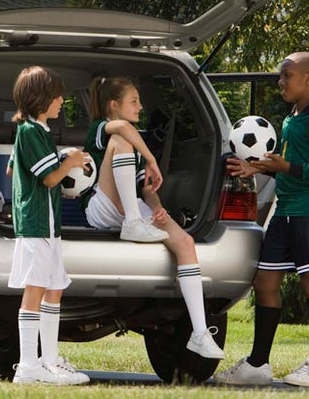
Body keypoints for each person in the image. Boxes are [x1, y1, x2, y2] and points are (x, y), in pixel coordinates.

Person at [215, 52, 309, 388]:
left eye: (286, 75)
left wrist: (286, 168)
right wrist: (255, 167)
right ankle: (258, 364)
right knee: (264, 283)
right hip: (285, 212)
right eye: (280, 76)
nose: (280, 82)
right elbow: (285, 162)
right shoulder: (293, 119)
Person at [83, 76, 226, 360]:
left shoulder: (133, 149)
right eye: (134, 101)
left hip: (132, 207)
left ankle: (199, 332)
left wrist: (158, 207)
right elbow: (122, 128)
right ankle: (134, 223)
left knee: (184, 242)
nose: (140, 107)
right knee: (121, 138)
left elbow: (145, 191)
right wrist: (150, 158)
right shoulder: (99, 129)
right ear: (114, 105)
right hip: (101, 208)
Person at [7, 65, 91, 385]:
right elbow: (50, 178)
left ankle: (51, 361)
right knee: (36, 289)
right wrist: (68, 162)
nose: (61, 100)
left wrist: (60, 160)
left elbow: (12, 171)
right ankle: (28, 366)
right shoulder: (29, 132)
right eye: (57, 95)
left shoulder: (37, 132)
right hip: (36, 226)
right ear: (41, 98)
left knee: (54, 289)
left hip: (50, 228)